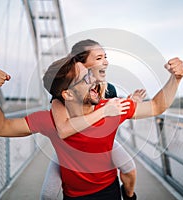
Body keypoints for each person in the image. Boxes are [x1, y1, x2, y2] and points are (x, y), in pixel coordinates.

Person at [0, 55, 183, 199]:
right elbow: (0, 127)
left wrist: (175, 79)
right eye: (85, 79)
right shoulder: (50, 120)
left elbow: (157, 106)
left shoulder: (113, 108)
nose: (95, 80)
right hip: (73, 195)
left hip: (109, 191)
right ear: (67, 95)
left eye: (91, 75)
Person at [42, 39, 145, 200]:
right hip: (70, 145)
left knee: (129, 167)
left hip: (99, 142)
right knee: (47, 194)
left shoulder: (109, 88)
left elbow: (114, 111)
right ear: (81, 63)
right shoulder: (66, 89)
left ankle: (129, 196)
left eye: (105, 57)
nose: (105, 62)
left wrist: (131, 103)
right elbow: (61, 120)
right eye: (98, 58)